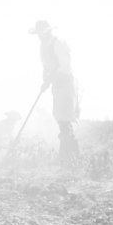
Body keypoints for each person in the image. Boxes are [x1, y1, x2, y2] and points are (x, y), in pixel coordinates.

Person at [30, 20, 80, 162]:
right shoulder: (43, 47)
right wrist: (45, 80)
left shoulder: (58, 44)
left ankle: (70, 155)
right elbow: (46, 66)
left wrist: (50, 78)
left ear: (48, 32)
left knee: (65, 117)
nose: (39, 36)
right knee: (59, 116)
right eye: (38, 34)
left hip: (65, 82)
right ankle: (66, 155)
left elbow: (65, 66)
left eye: (42, 33)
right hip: (56, 84)